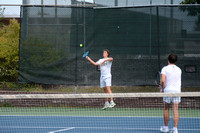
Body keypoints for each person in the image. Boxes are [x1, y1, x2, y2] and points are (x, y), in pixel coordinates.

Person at [159, 54, 182, 133]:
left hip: (168, 91)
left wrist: (162, 88)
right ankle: (175, 129)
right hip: (177, 91)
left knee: (166, 109)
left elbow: (162, 80)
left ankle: (166, 128)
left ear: (168, 60)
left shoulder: (165, 69)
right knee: (175, 110)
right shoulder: (179, 69)